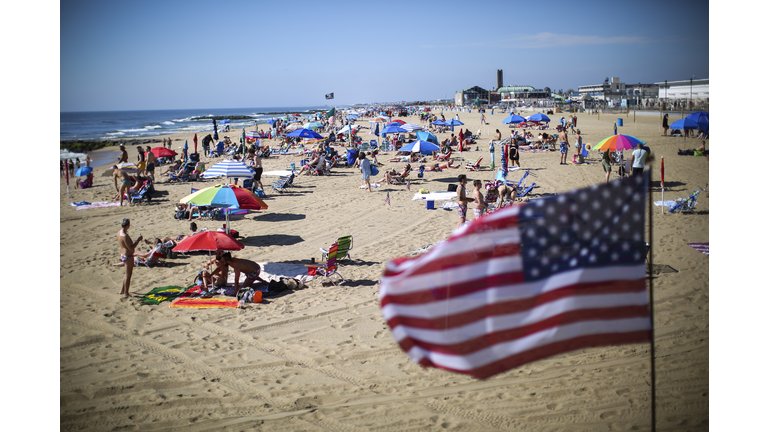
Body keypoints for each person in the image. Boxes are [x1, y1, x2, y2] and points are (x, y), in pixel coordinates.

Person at [109, 218, 143, 298]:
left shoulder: (119, 232)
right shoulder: (124, 236)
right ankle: (126, 293)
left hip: (123, 255)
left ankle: (122, 290)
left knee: (126, 274)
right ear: (128, 225)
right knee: (128, 275)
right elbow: (131, 248)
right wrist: (138, 240)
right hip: (128, 256)